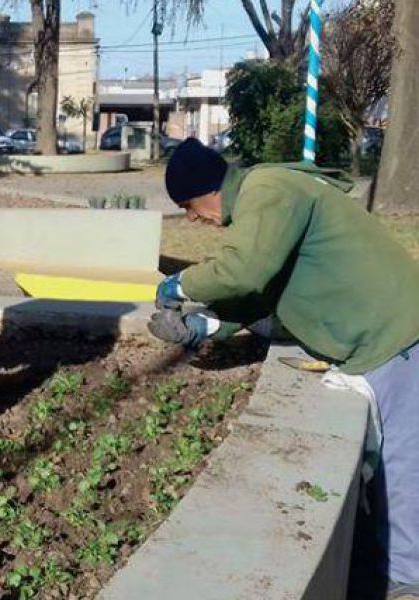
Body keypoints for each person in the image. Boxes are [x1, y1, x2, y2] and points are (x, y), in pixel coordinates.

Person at [147, 138, 419, 599]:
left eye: (190, 207)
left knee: (402, 467)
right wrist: (201, 329)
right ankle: (386, 565)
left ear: (209, 189)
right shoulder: (266, 196)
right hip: (381, 333)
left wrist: (179, 283)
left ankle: (405, 583)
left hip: (392, 334)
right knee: (390, 464)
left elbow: (245, 272)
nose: (195, 219)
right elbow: (259, 294)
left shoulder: (268, 191)